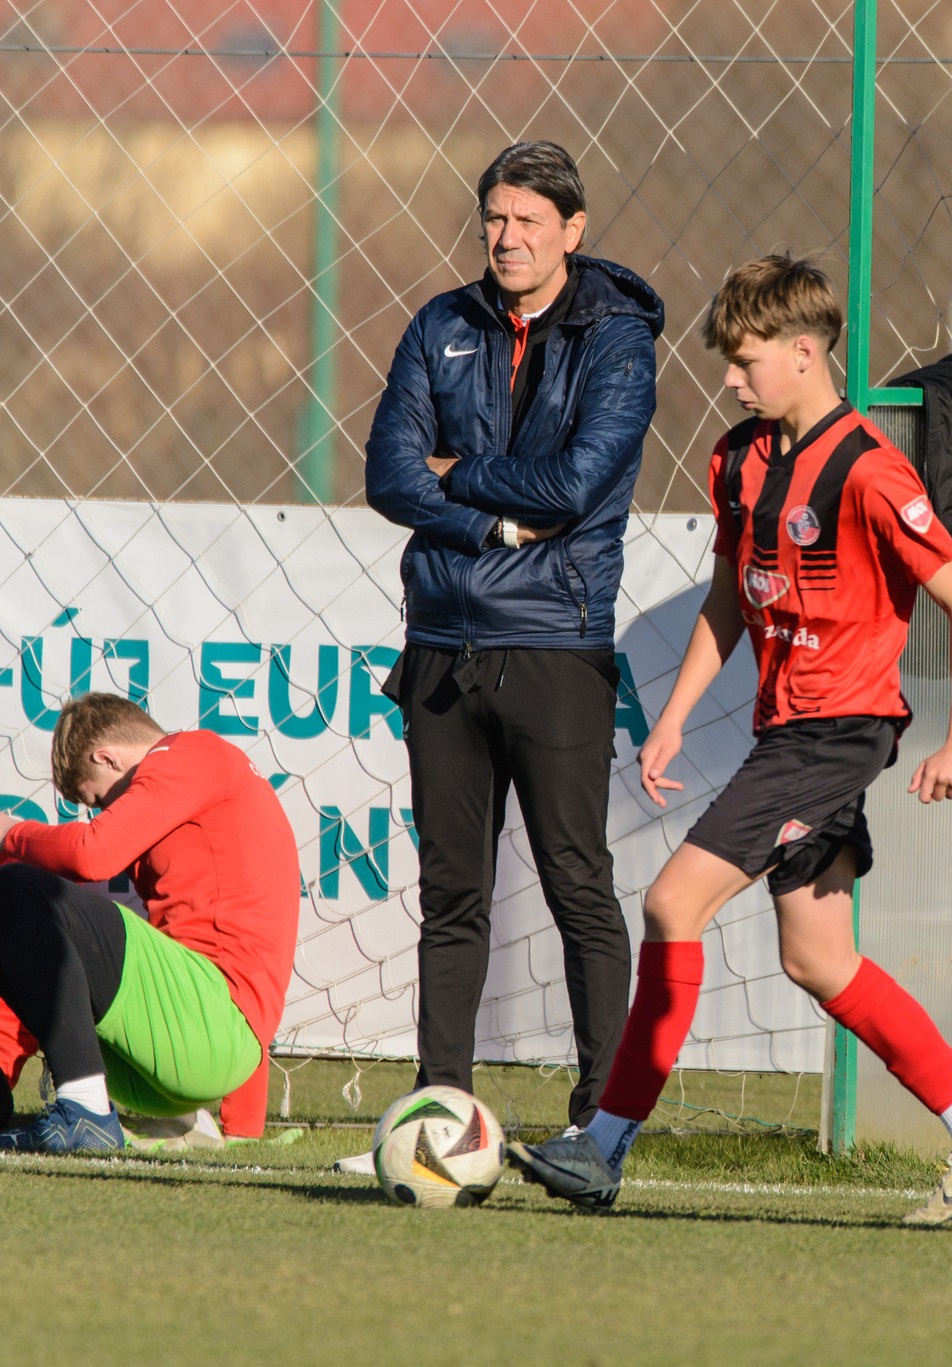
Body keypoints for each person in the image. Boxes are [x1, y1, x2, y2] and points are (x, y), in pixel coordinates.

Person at [507, 255, 952, 1225]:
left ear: (803, 352)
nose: (731, 378)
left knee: (673, 899)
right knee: (818, 959)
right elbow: (725, 602)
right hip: (785, 734)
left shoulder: (871, 469)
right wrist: (670, 717)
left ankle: (605, 1143)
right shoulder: (737, 459)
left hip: (838, 734)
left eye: (745, 360)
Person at [363, 141, 662, 1141]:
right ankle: (436, 1112)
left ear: (572, 231)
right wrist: (486, 518)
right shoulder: (439, 323)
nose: (507, 237)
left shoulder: (617, 340)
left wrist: (457, 471)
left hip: (554, 640)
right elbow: (390, 477)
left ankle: (599, 1121)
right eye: (495, 216)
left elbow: (578, 487)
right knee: (452, 893)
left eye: (529, 220)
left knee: (578, 879)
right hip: (442, 641)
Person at [0, 695, 299, 1150]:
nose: (103, 813)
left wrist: (10, 832)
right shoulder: (206, 800)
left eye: (98, 799)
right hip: (184, 1061)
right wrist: (242, 1126)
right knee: (23, 910)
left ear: (106, 757)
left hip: (207, 1034)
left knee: (23, 887)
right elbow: (248, 958)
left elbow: (92, 853)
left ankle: (84, 1110)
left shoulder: (194, 753)